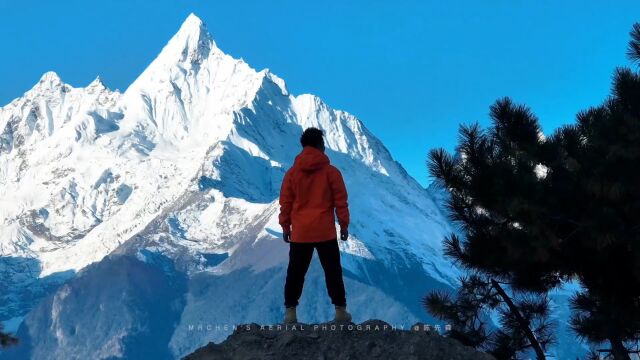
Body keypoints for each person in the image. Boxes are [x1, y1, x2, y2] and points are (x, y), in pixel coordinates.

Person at [278, 127, 352, 324]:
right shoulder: (331, 172)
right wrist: (344, 225)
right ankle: (340, 312)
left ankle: (290, 314)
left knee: (295, 273)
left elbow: (285, 203)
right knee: (333, 272)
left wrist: (286, 227)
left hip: (301, 233)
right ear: (321, 145)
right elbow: (341, 201)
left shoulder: (292, 174)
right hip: (325, 231)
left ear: (303, 146)